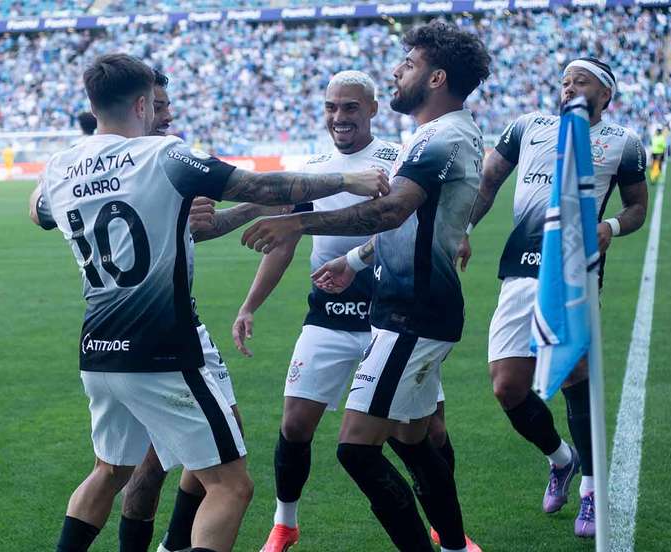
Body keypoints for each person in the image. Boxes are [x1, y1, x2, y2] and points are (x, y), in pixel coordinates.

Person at [28, 53, 388, 552]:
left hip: (98, 349)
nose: (163, 115)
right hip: (161, 347)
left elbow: (39, 210)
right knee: (231, 485)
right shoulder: (164, 154)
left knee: (109, 471)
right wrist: (347, 179)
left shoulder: (61, 165)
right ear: (140, 104)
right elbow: (260, 185)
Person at [242, 20, 490, 552]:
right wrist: (355, 260)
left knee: (356, 448)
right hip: (407, 310)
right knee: (413, 436)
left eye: (409, 64)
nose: (398, 71)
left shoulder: (441, 138)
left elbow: (392, 208)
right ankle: (452, 544)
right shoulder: (433, 135)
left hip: (412, 314)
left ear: (436, 76)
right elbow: (402, 225)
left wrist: (299, 224)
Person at [457, 57, 648, 538]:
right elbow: (487, 182)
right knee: (507, 386)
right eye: (564, 81)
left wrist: (610, 226)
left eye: (580, 82)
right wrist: (464, 228)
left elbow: (637, 206)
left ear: (605, 95)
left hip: (572, 273)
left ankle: (588, 490)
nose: (568, 89)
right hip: (519, 269)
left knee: (574, 374)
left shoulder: (622, 142)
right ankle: (561, 460)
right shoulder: (527, 127)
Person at [229, 70, 410, 552]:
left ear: (372, 109)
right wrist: (250, 306)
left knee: (415, 431)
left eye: (350, 107)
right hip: (328, 312)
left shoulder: (395, 158)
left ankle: (442, 525)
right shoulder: (315, 167)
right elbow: (284, 240)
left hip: (390, 315)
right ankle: (285, 524)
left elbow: (400, 226)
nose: (339, 117)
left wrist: (354, 261)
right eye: (331, 107)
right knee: (294, 423)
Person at [117, 68, 289, 552]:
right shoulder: (134, 166)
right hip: (153, 333)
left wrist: (250, 212)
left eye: (169, 105)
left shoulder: (171, 160)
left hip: (185, 328)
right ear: (137, 108)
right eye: (159, 105)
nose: (168, 114)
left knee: (218, 440)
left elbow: (197, 232)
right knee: (153, 466)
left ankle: (175, 544)